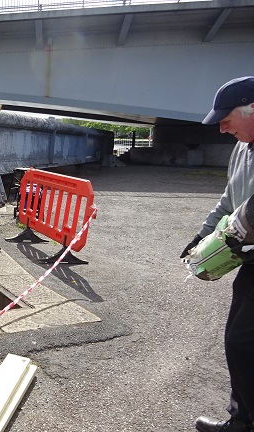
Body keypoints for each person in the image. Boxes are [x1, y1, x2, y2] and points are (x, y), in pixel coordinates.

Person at [180, 76, 254, 432]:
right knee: (238, 338)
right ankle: (242, 418)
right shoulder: (242, 148)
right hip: (250, 259)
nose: (222, 128)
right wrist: (204, 233)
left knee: (242, 340)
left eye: (226, 119)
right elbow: (229, 199)